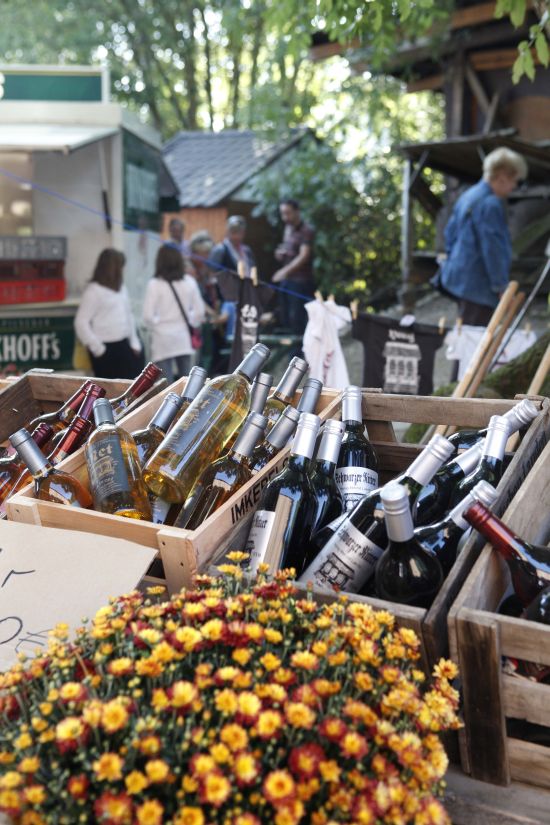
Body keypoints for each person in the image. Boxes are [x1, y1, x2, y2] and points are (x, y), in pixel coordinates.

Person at [439, 147, 527, 327]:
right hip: (477, 285)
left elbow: (449, 233)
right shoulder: (490, 204)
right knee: (475, 336)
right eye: (515, 181)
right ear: (502, 176)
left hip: (460, 278)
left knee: (465, 331)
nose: (514, 187)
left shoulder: (469, 195)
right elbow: (493, 249)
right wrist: (501, 287)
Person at [74, 249, 143, 379]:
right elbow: (81, 323)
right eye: (121, 267)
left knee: (129, 385)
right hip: (105, 348)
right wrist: (98, 348)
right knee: (108, 388)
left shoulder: (121, 287)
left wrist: (134, 342)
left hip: (124, 344)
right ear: (112, 268)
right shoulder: (93, 291)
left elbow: (129, 315)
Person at [142, 245, 206, 382]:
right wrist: (188, 320)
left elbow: (147, 316)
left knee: (166, 385)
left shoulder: (154, 284)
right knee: (187, 383)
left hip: (162, 340)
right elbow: (200, 312)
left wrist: (159, 323)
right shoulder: (189, 282)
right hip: (183, 339)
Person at [272, 198, 315, 336]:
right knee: (284, 317)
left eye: (288, 213)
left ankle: (298, 347)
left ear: (297, 211)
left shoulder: (306, 230)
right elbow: (288, 250)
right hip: (287, 281)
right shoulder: (287, 229)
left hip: (300, 281)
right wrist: (280, 253)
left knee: (298, 319)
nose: (285, 217)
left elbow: (304, 255)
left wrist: (284, 271)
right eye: (282, 213)